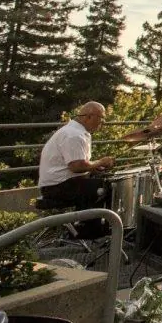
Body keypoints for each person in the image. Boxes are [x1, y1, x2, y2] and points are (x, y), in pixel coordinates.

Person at [38, 102, 115, 237]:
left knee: (101, 181)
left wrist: (95, 168)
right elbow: (77, 166)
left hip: (61, 183)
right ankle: (88, 231)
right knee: (104, 186)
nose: (102, 122)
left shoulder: (77, 132)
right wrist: (100, 162)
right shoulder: (73, 135)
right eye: (101, 118)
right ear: (88, 117)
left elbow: (78, 165)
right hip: (56, 187)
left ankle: (89, 227)